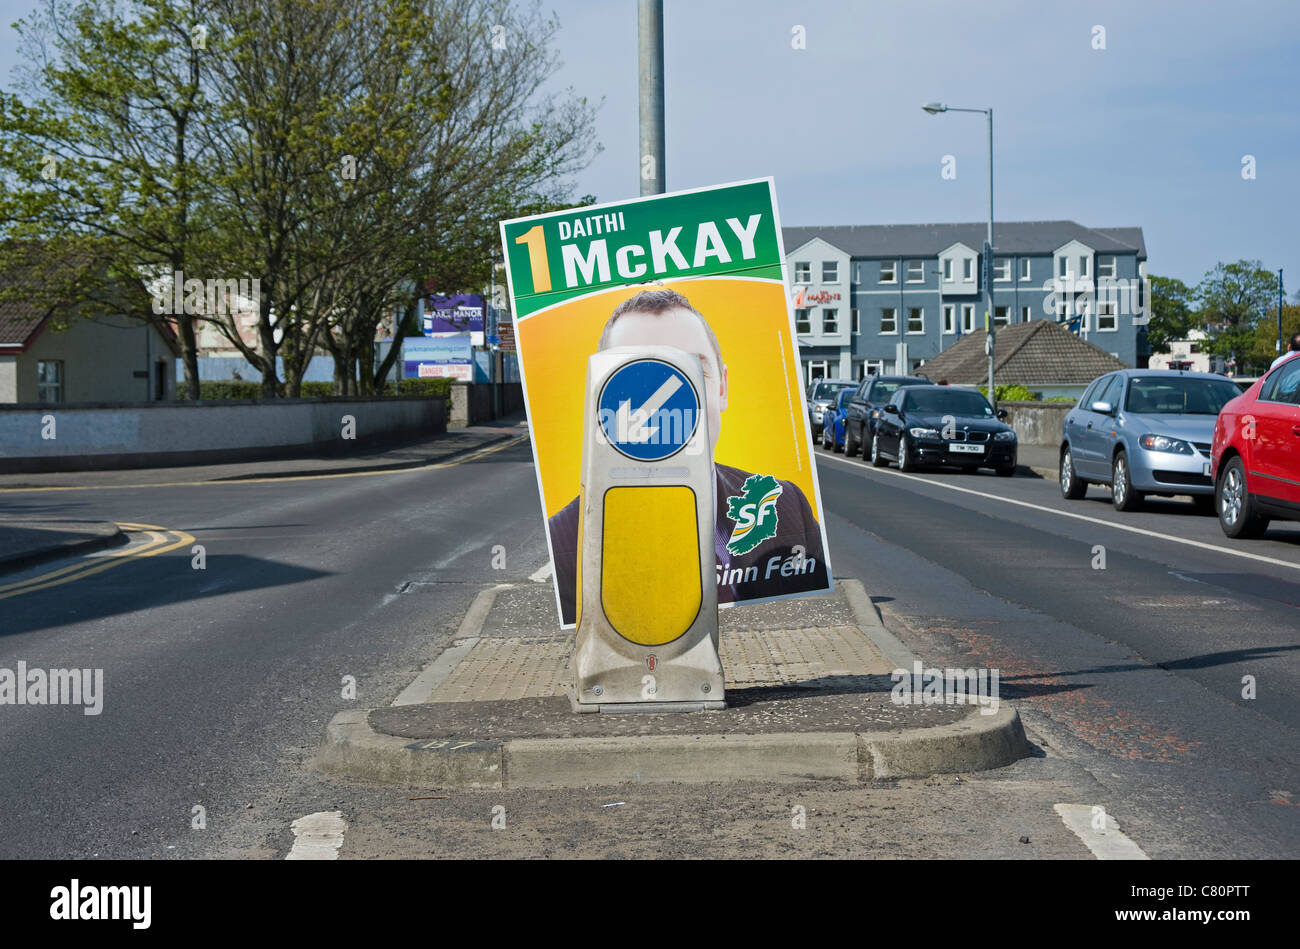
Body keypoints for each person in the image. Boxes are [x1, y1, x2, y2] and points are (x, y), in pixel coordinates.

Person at [548, 288, 828, 625]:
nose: (670, 400)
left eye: (693, 371)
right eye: (638, 375)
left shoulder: (786, 507)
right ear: (602, 397)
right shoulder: (565, 543)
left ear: (722, 388)